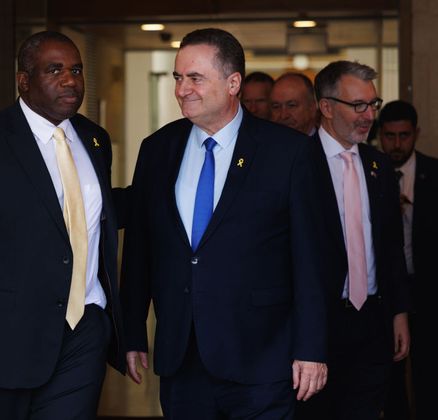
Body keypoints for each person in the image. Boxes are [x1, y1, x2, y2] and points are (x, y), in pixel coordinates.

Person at [121, 28, 328, 420]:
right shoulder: (157, 149)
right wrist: (132, 332)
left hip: (263, 359)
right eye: (178, 78)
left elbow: (312, 261)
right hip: (182, 359)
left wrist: (312, 349)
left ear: (234, 83)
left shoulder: (289, 154)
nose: (183, 89)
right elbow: (141, 249)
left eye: (195, 78)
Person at [0, 31, 125, 420]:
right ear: (24, 80)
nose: (70, 80)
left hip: (84, 332)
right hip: (5, 343)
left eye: (76, 69)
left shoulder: (94, 139)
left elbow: (91, 213)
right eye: (54, 70)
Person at [296, 61, 411, 420]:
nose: (368, 115)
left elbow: (390, 245)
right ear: (327, 107)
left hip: (372, 321)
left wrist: (399, 313)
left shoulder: (378, 165)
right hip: (320, 324)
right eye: (358, 105)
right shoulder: (296, 163)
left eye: (373, 104)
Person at [378, 100, 438, 419]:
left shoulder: (434, 172)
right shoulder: (370, 170)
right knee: (391, 377)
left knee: (429, 373)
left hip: (428, 289)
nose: (397, 144)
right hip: (386, 293)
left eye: (404, 135)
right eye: (389, 136)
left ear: (416, 133)